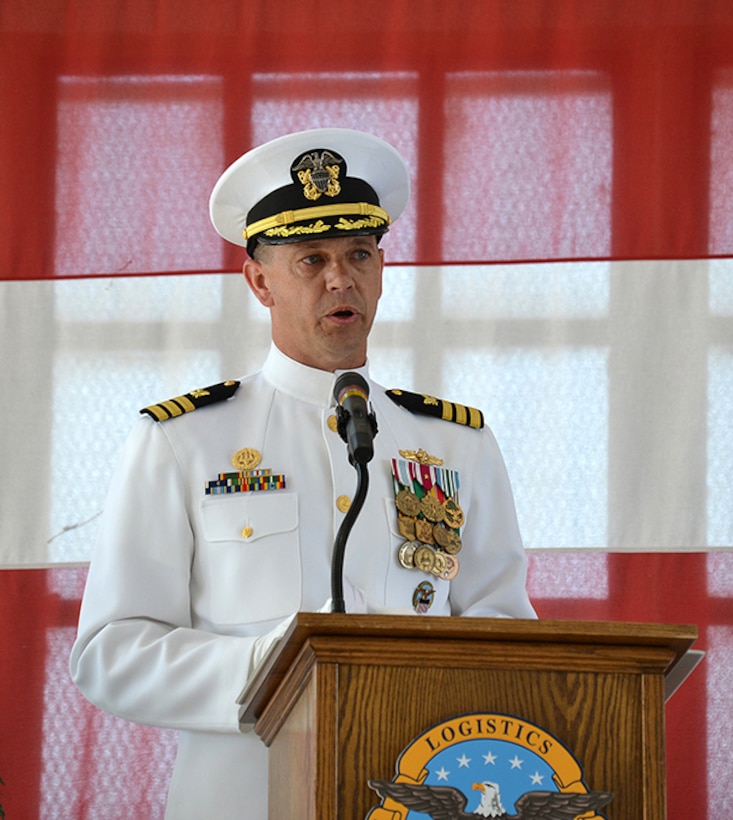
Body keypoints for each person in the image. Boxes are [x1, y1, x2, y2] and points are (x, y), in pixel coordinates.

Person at [70, 127, 536, 819]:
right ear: (259, 280)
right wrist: (282, 668)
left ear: (382, 269)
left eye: (358, 254)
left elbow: (503, 628)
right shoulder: (184, 439)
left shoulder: (454, 443)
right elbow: (111, 653)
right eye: (310, 259)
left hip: (417, 788)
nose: (339, 278)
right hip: (243, 797)